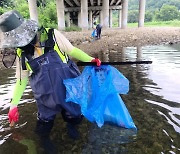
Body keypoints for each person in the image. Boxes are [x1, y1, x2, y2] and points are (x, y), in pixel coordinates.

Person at [0, 10, 101, 141]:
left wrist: (90, 59)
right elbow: (21, 79)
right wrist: (13, 105)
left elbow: (72, 50)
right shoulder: (21, 52)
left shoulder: (52, 35)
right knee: (43, 127)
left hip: (68, 89)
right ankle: (45, 143)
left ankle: (72, 128)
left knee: (74, 117)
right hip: (45, 95)